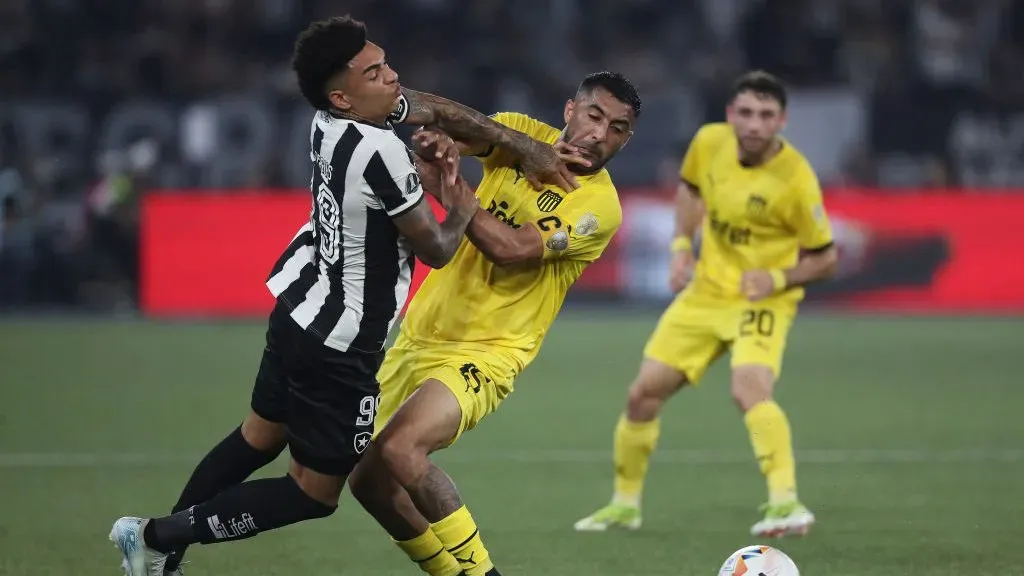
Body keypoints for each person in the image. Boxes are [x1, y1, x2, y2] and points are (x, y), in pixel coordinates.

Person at [108, 16, 579, 576]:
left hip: (299, 304)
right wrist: (454, 188)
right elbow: (438, 248)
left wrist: (515, 145)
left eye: (386, 63)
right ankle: (153, 535)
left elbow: (431, 109)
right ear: (343, 95)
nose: (392, 77)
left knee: (256, 438)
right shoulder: (380, 151)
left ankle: (159, 558)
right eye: (375, 72)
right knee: (313, 494)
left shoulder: (328, 122)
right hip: (340, 343)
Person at [346, 71, 642, 576]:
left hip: (488, 350)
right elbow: (442, 138)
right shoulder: (516, 133)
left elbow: (510, 249)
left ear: (626, 138)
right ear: (570, 110)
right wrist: (435, 148)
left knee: (403, 448)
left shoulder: (599, 207)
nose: (600, 134)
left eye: (616, 128)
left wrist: (453, 188)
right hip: (420, 334)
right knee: (366, 480)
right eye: (594, 116)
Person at [573, 70, 838, 538]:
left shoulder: (796, 178)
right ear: (731, 115)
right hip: (705, 294)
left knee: (749, 390)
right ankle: (624, 506)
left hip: (763, 301)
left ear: (782, 121)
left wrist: (776, 276)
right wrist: (680, 248)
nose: (755, 124)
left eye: (767, 115)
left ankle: (786, 503)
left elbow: (826, 258)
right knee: (642, 395)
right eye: (748, 113)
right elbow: (691, 190)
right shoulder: (709, 142)